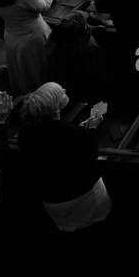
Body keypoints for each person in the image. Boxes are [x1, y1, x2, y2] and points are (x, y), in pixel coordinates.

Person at [17, 82, 113, 231]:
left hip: (53, 203)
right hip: (87, 199)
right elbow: (90, 155)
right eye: (60, 91)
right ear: (56, 107)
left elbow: (55, 144)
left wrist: (80, 130)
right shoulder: (76, 134)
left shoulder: (26, 134)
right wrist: (91, 129)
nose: (64, 90)